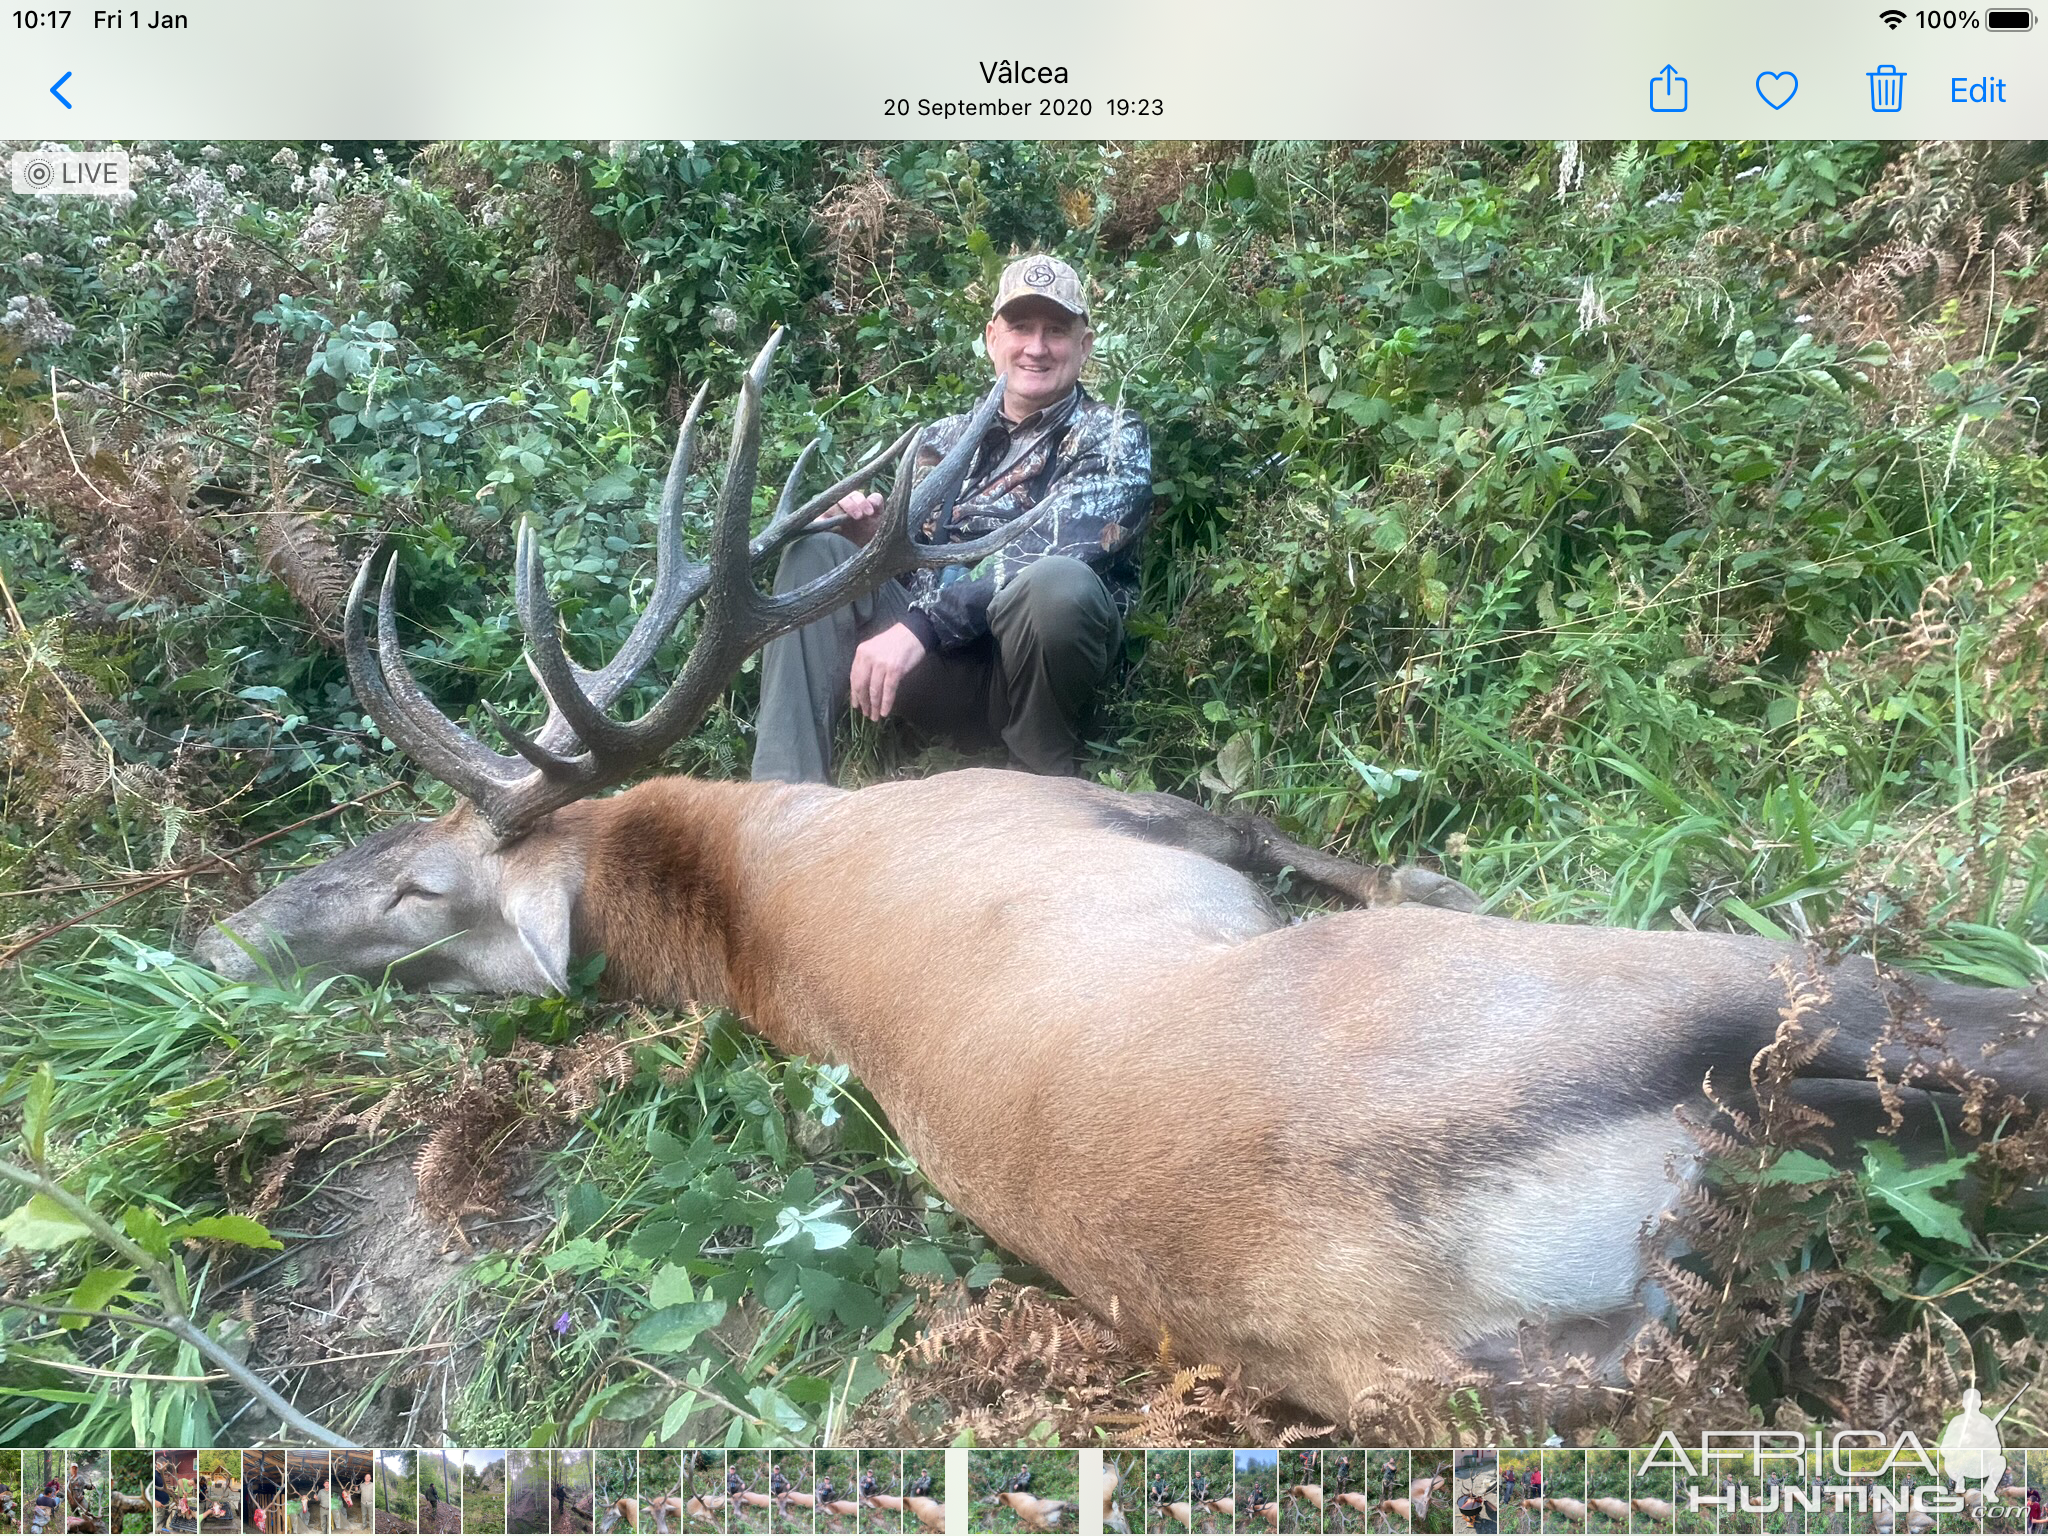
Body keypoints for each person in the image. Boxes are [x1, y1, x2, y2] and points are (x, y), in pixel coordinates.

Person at [753, 253, 1151, 783]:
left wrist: (921, 625)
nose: (1035, 347)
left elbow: (1059, 543)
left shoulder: (1115, 435)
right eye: (1020, 328)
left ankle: (1039, 784)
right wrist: (867, 539)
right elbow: (908, 560)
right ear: (992, 338)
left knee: (1057, 584)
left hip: (1034, 681)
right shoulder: (940, 441)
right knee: (817, 552)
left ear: (1084, 345)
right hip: (941, 674)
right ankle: (784, 797)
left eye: (1056, 330)